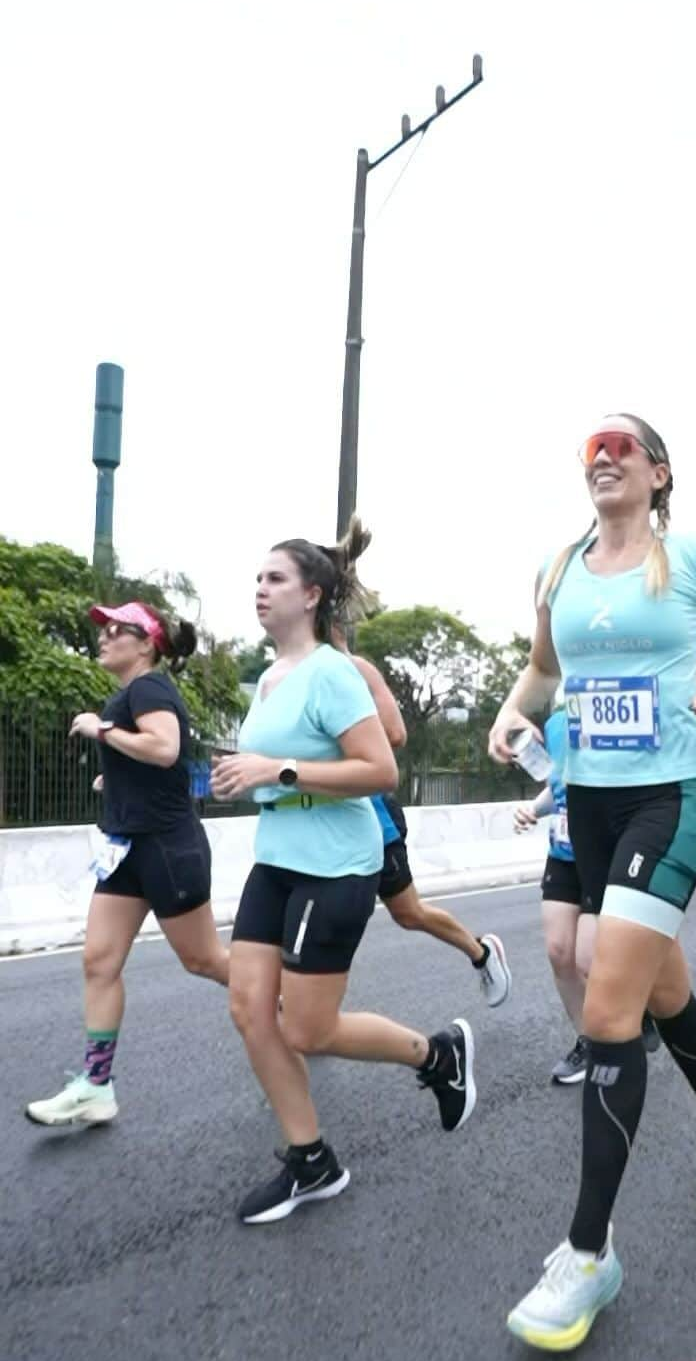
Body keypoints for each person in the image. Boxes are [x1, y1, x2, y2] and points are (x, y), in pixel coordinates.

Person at [490, 415, 696, 1351]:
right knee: (661, 986)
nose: (602, 456)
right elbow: (542, 670)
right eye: (589, 450)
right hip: (591, 805)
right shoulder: (558, 569)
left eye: (622, 445)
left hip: (675, 793)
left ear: (658, 471)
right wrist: (507, 714)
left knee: (610, 1008)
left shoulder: (694, 556)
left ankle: (587, 1255)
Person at [214, 520, 475, 1225]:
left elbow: (381, 768)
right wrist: (248, 778)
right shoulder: (270, 677)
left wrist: (280, 769)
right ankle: (311, 1162)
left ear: (313, 595)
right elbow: (272, 767)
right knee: (247, 1009)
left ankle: (436, 1056)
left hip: (335, 867)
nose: (260, 591)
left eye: (275, 580)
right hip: (276, 861)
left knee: (306, 1028)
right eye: (257, 580)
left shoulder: (333, 671)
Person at [26, 601, 229, 1130]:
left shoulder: (149, 688)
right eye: (105, 629)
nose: (105, 636)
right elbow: (156, 765)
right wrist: (113, 779)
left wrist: (101, 731)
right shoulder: (129, 694)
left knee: (204, 960)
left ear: (147, 645)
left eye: (118, 630)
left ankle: (282, 1000)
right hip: (125, 850)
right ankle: (96, 1086)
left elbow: (165, 749)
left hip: (165, 847)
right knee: (98, 961)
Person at [332, 623, 512, 1008]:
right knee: (322, 908)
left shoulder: (354, 668)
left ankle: (481, 953)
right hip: (322, 821)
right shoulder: (291, 672)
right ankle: (305, 1000)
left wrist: (340, 731)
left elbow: (395, 733)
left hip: (371, 816)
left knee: (408, 912)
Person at [514, 704, 662, 1083]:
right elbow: (557, 784)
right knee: (558, 952)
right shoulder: (555, 723)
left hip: (604, 848)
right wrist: (533, 808)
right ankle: (588, 1043)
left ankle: (635, 1013)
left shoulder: (619, 707)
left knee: (587, 959)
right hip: (562, 851)